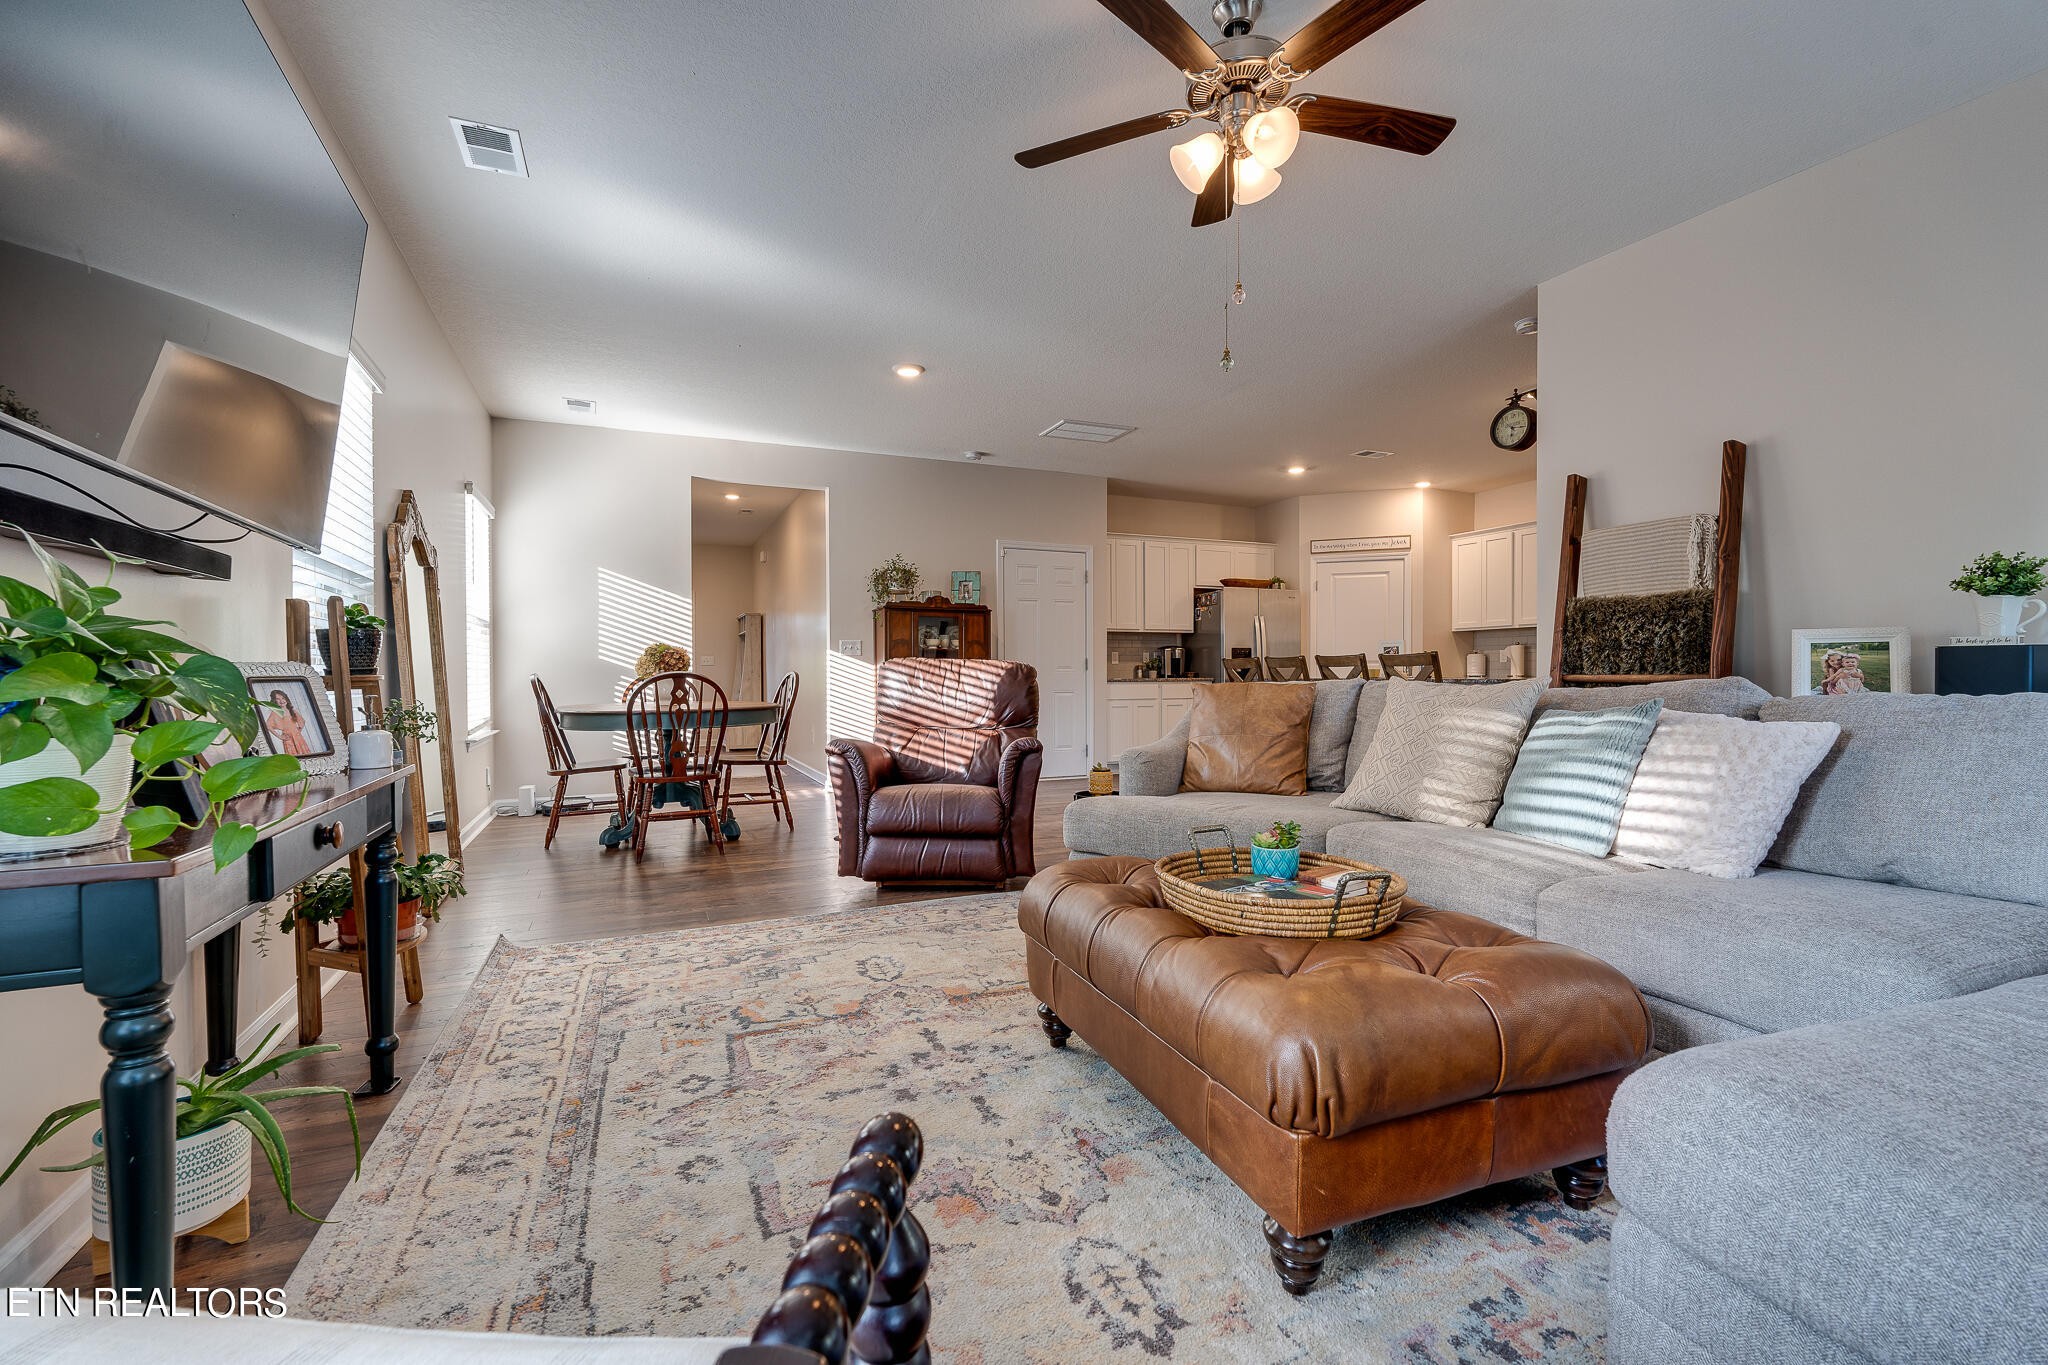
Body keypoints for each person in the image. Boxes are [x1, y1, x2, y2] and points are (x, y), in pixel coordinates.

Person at [265, 687, 315, 756]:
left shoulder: (292, 710)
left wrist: (298, 731)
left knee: (304, 754)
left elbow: (302, 721)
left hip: (298, 738)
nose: (281, 701)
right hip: (288, 739)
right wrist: (280, 736)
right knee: (293, 756)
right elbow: (268, 725)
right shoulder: (276, 713)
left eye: (283, 698)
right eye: (278, 699)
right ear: (275, 701)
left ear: (286, 699)